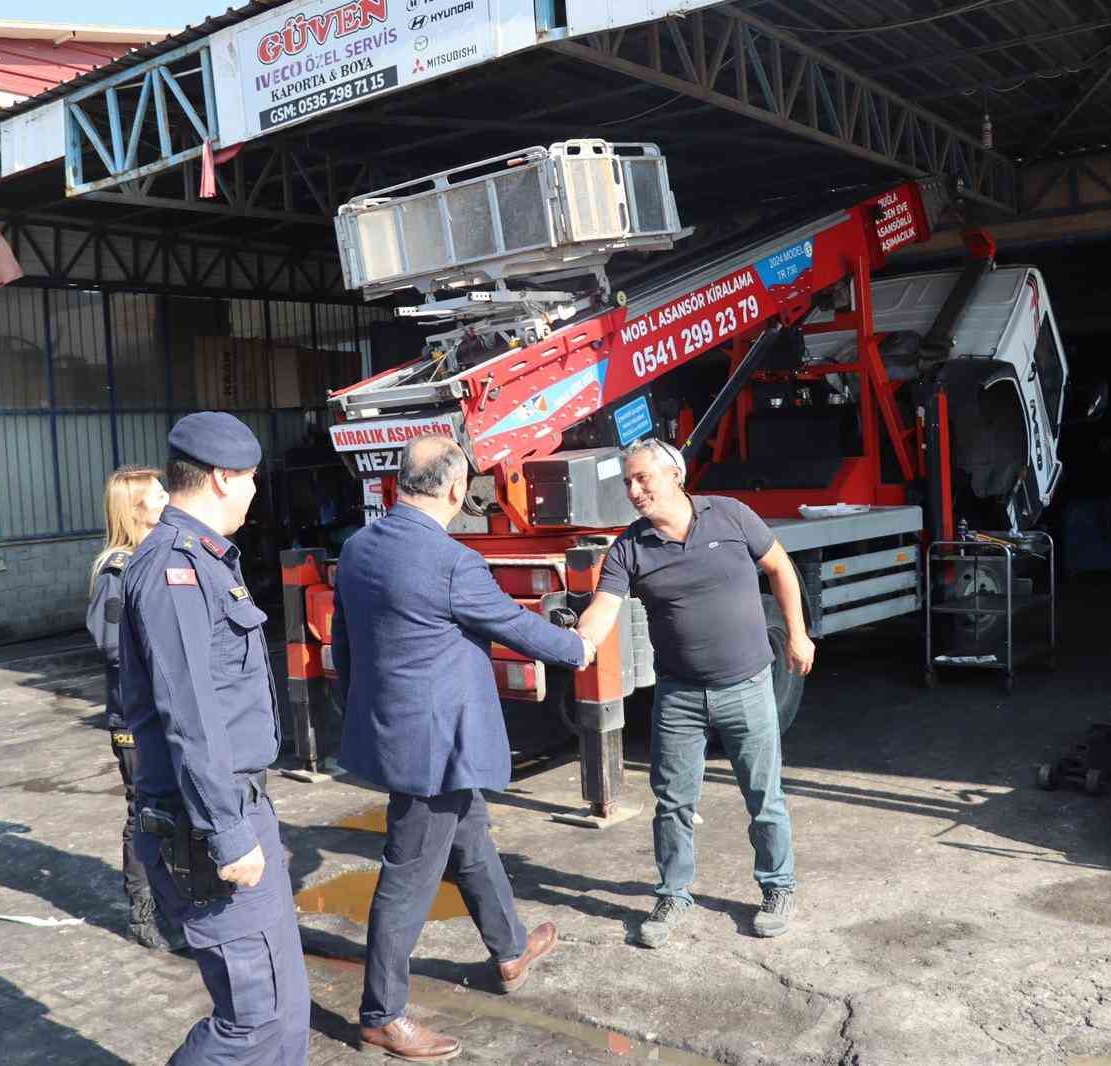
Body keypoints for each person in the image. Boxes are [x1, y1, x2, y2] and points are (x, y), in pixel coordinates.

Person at [332, 435, 594, 1062]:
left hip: (402, 734)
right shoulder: (452, 562)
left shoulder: (358, 547)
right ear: (456, 490)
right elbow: (515, 625)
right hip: (437, 745)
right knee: (408, 876)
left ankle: (509, 950)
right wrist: (577, 647)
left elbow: (346, 645)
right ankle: (382, 1013)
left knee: (470, 838)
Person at [118, 413, 308, 1066]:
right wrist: (229, 831)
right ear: (225, 478)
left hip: (240, 806)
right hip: (207, 826)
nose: (256, 493)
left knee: (285, 1010)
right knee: (252, 1020)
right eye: (252, 479)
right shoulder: (174, 571)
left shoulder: (206, 560)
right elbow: (190, 716)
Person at [576, 438, 814, 947]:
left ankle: (778, 887)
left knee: (763, 796)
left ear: (675, 475)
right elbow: (604, 607)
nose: (634, 490)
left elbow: (780, 567)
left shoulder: (730, 515)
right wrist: (579, 641)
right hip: (680, 696)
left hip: (747, 685)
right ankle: (673, 893)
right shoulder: (628, 548)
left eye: (643, 478)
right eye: (627, 483)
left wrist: (796, 632)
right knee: (673, 802)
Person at [86, 464, 183, 952]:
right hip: (134, 718)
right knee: (144, 813)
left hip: (160, 713)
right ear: (134, 509)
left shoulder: (151, 560)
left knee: (168, 811)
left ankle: (173, 903)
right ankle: (145, 914)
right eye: (158, 493)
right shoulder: (118, 571)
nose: (168, 497)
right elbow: (112, 644)